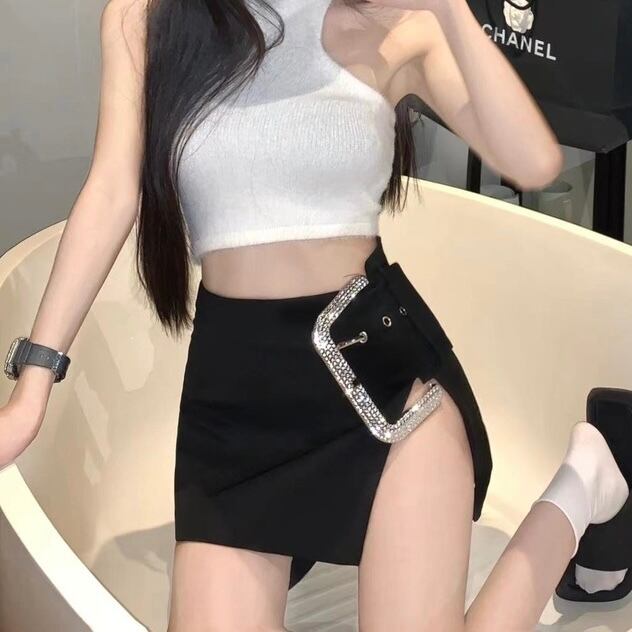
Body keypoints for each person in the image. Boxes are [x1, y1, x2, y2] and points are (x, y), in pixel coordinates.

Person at [1, 0, 629, 630]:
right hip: (234, 406)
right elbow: (111, 191)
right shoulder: (148, 18)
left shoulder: (392, 25)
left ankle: (582, 484)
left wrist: (450, 9)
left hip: (381, 390)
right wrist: (32, 388)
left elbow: (532, 161)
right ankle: (586, 478)